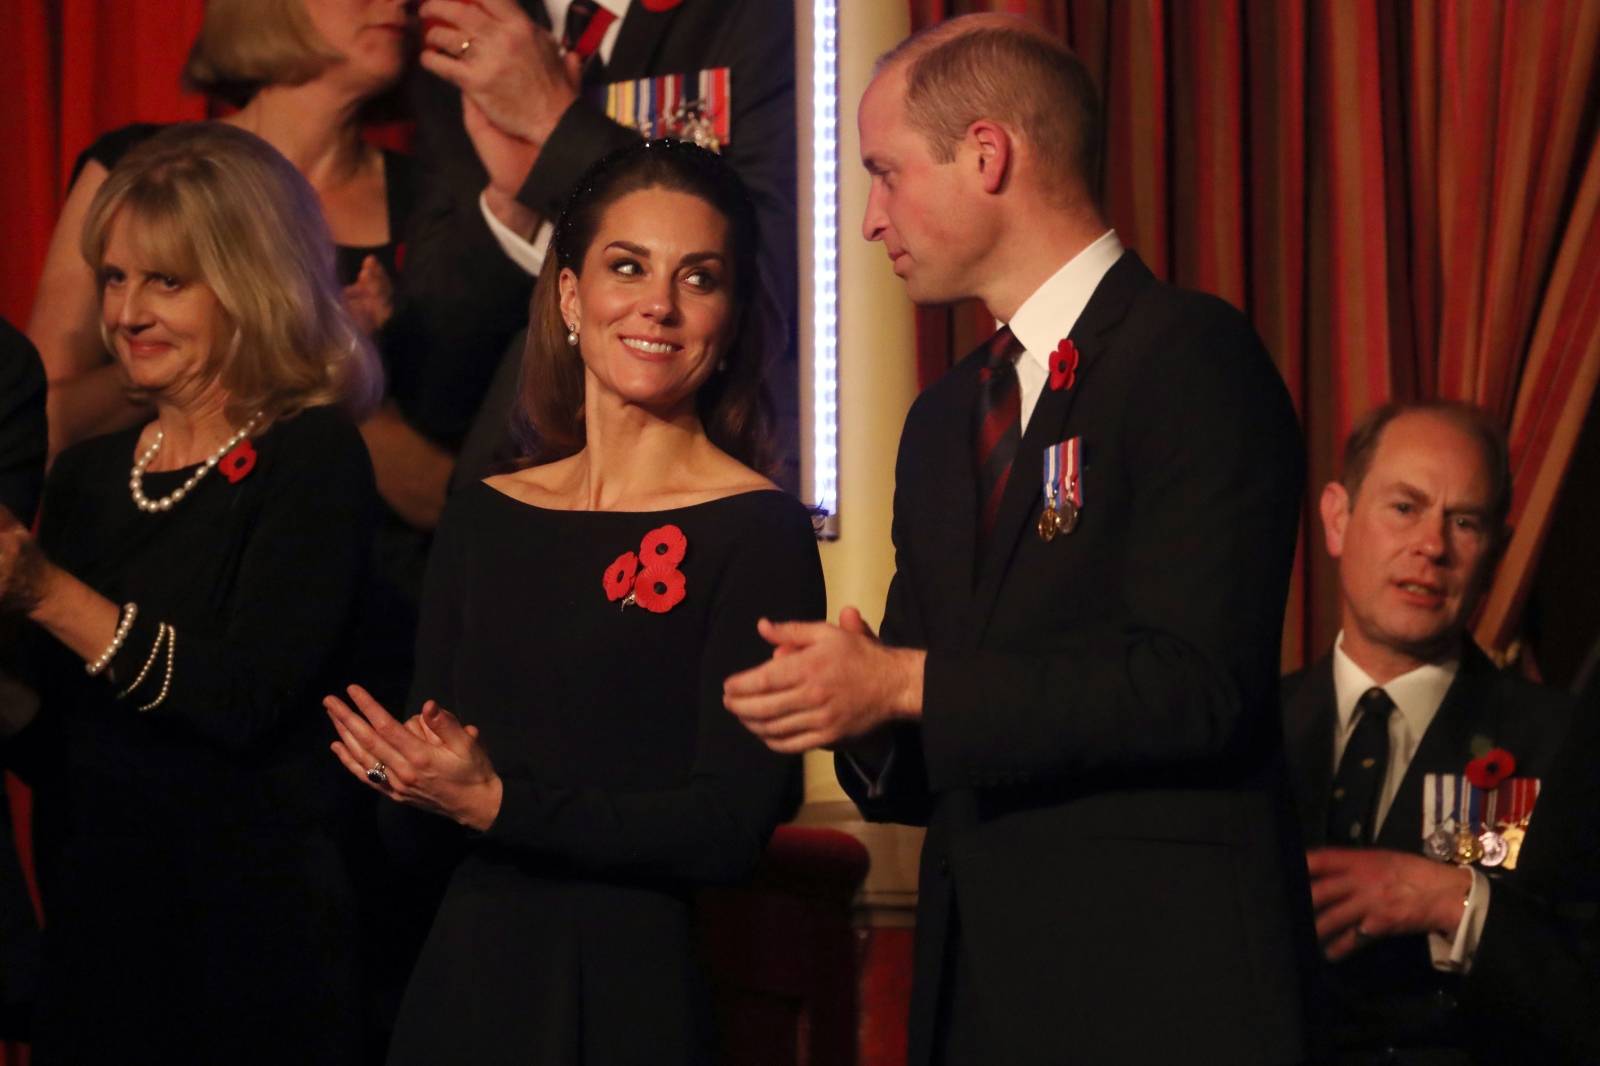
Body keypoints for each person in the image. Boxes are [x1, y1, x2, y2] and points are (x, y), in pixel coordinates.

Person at [724, 15, 1312, 1066]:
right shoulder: (946, 417)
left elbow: (1195, 685)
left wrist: (903, 684)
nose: (869, 219)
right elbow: (920, 754)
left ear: (986, 154)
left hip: (1160, 993)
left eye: (885, 173)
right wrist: (846, 708)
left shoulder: (1189, 356)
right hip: (980, 997)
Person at [324, 138, 823, 1066]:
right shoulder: (487, 514)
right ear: (567, 295)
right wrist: (405, 776)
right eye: (626, 266)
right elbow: (416, 834)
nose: (658, 305)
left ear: (731, 314)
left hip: (627, 994)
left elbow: (731, 827)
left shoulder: (757, 532)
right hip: (461, 991)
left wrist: (497, 803)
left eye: (698, 278)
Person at [1, 123, 381, 1064]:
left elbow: (241, 699)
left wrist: (44, 591)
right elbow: (52, 737)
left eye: (166, 282)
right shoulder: (89, 476)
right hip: (98, 944)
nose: (126, 313)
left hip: (250, 957)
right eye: (116, 279)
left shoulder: (312, 457)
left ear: (254, 285)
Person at [397, 0, 798, 487]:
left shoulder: (751, 19)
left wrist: (557, 129)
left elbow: (778, 276)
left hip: (702, 480)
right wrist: (513, 209)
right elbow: (430, 383)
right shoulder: (472, 24)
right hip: (502, 479)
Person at [1281, 401, 1573, 1064]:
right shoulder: (1245, 729)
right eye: (1405, 508)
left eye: (1463, 521)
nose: (1433, 547)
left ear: (1492, 552)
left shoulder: (1559, 741)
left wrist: (1454, 900)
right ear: (1337, 518)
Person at [27, 0, 413, 464]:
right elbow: (40, 423)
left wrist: (342, 369)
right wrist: (283, 349)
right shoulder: (141, 172)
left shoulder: (435, 201)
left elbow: (445, 492)